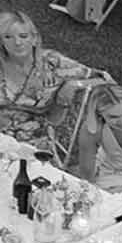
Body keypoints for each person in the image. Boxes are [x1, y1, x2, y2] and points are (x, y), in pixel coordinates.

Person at [0, 10, 110, 152]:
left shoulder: (52, 63)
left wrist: (74, 84)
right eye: (8, 37)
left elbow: (105, 80)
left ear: (34, 39)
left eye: (23, 36)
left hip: (33, 138)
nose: (17, 42)